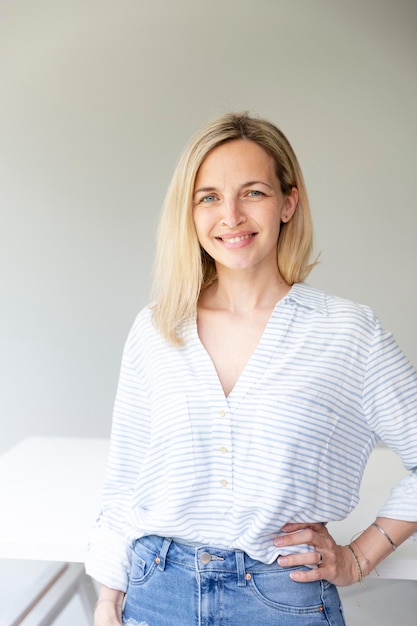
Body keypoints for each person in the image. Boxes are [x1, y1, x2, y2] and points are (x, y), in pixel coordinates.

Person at [85, 112, 417, 625]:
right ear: (190, 213)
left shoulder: (347, 332)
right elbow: (127, 478)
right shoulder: (156, 328)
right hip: (157, 594)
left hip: (284, 600)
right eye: (209, 197)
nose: (231, 215)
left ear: (288, 202)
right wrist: (108, 600)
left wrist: (359, 556)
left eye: (254, 192)